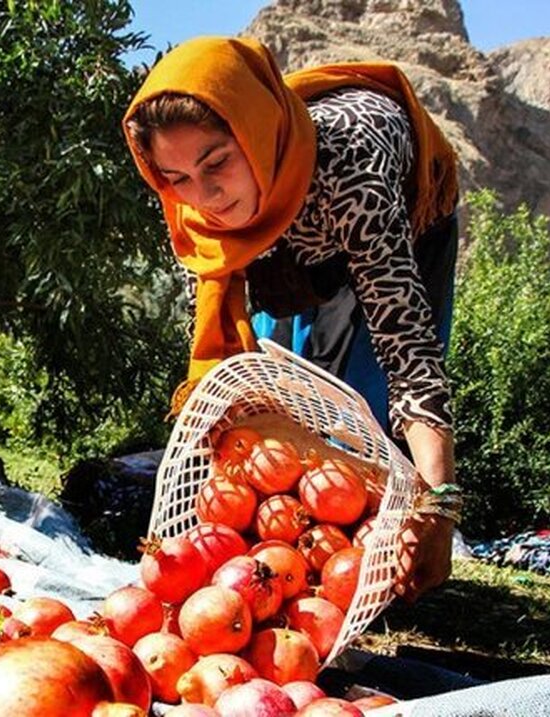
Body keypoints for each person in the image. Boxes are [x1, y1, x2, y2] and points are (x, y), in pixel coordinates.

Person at [121, 36, 462, 601]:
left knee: (368, 406)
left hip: (398, 220)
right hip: (286, 236)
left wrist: (440, 507)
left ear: (256, 136)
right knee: (284, 398)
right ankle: (284, 568)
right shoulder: (194, 206)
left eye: (216, 163)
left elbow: (410, 358)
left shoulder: (353, 173)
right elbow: (224, 350)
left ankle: (372, 560)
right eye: (177, 177)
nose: (203, 196)